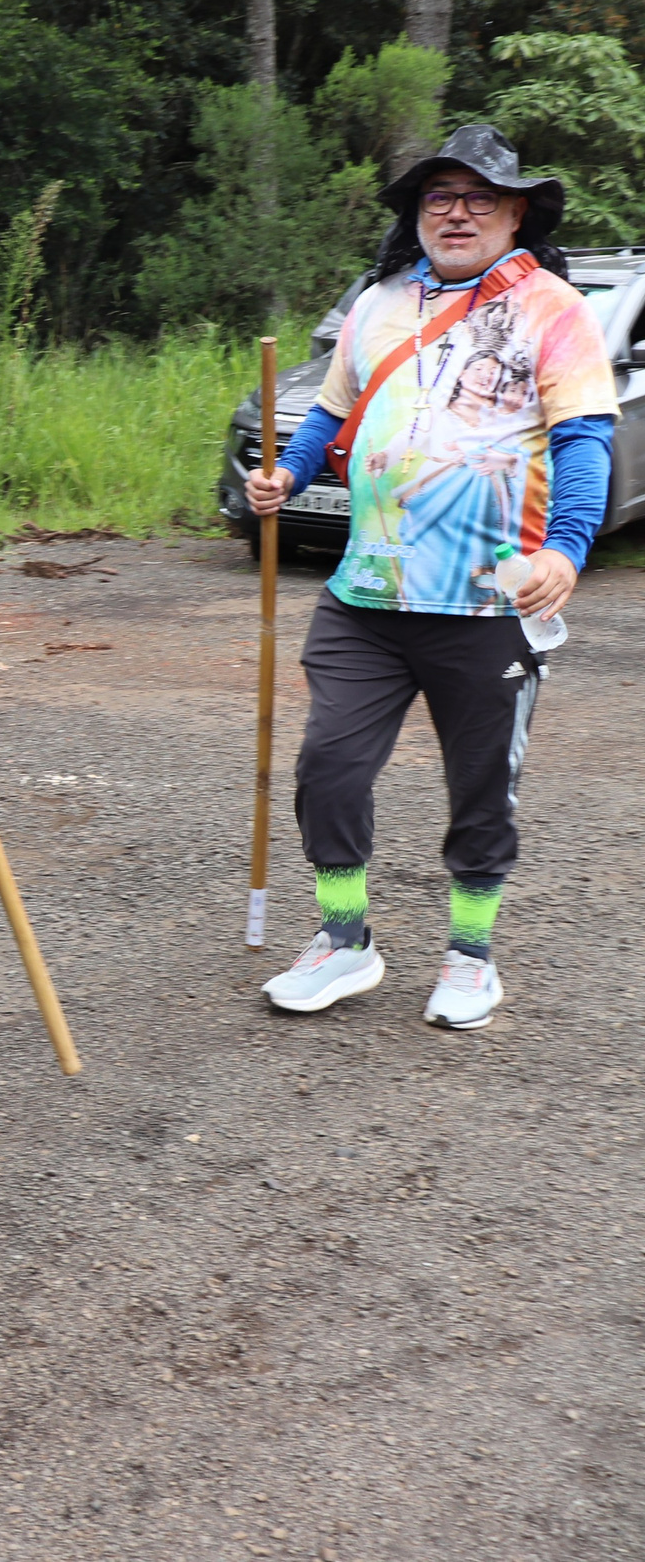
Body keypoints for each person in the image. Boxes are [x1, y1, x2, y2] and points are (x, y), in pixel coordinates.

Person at [244, 125, 614, 1031]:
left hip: (489, 602)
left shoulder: (555, 308)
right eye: (437, 198)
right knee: (328, 767)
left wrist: (566, 548)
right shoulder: (376, 305)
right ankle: (344, 940)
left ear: (516, 212)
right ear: (415, 216)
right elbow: (332, 410)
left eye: (478, 198)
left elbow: (585, 439)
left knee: (482, 786)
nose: (455, 213)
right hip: (364, 596)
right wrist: (285, 474)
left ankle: (471, 956)